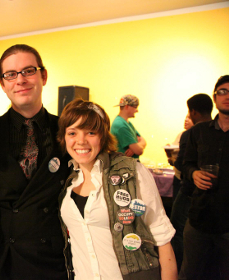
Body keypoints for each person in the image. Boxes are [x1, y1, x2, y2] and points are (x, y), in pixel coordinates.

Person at [0, 44, 71, 280]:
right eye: (11, 74)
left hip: (52, 257)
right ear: (3, 83)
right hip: (0, 257)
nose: (20, 80)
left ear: (43, 76)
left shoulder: (68, 132)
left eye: (28, 71)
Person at [58, 99, 177, 279]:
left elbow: (162, 237)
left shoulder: (132, 172)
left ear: (103, 136)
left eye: (91, 132)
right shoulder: (69, 182)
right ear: (64, 137)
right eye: (72, 133)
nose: (80, 141)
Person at [179, 75, 229, 280]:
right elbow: (185, 164)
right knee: (190, 273)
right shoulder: (198, 132)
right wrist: (194, 173)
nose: (227, 96)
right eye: (223, 91)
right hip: (199, 218)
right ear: (215, 97)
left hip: (228, 222)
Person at [170, 94, 213, 272]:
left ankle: (180, 264)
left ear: (193, 112)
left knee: (177, 228)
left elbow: (182, 163)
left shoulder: (191, 133)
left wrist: (177, 163)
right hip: (213, 195)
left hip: (189, 190)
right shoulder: (217, 132)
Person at [111, 95, 146, 159]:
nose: (137, 110)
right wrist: (136, 148)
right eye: (135, 107)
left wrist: (134, 148)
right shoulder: (120, 125)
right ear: (127, 107)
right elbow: (139, 151)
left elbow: (143, 141)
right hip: (124, 166)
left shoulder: (127, 123)